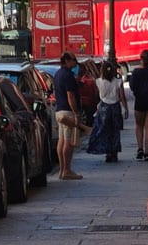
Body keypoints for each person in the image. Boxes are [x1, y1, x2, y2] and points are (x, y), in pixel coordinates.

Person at [86, 60, 129, 163]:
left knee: (104, 130)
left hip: (104, 108)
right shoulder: (118, 81)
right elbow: (122, 97)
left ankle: (107, 152)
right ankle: (114, 152)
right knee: (115, 131)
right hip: (115, 107)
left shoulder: (99, 81)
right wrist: (126, 108)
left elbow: (97, 97)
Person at [53, 52, 83, 180]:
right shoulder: (68, 76)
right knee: (68, 141)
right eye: (73, 60)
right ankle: (67, 170)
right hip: (67, 111)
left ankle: (61, 170)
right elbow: (70, 95)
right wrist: (76, 112)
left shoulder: (58, 74)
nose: (75, 62)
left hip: (59, 110)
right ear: (66, 60)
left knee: (61, 140)